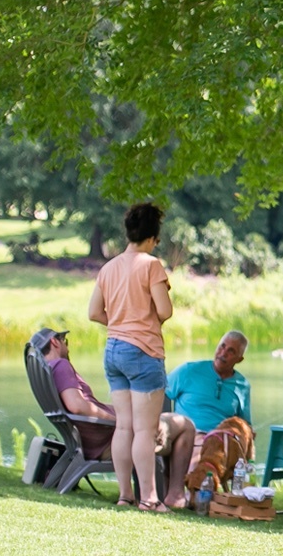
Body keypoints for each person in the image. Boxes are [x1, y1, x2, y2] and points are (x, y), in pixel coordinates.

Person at [32, 328, 196, 508]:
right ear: (55, 342)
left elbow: (82, 407)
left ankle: (157, 492)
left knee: (160, 421)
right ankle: (175, 495)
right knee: (184, 425)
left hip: (87, 440)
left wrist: (121, 412)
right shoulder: (61, 366)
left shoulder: (49, 370)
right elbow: (77, 406)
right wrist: (119, 420)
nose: (67, 347)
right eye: (65, 341)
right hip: (108, 442)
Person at [89, 202, 174, 512]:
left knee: (123, 427)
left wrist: (122, 323)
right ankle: (150, 499)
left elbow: (94, 312)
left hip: (114, 351)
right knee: (145, 430)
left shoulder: (108, 268)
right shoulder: (151, 265)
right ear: (152, 236)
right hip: (144, 352)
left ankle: (126, 495)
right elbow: (164, 310)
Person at [167, 330, 252, 468]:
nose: (223, 353)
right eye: (222, 346)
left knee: (221, 453)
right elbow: (160, 393)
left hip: (221, 440)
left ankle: (207, 487)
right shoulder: (189, 371)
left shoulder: (242, 386)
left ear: (239, 359)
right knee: (201, 455)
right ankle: (199, 486)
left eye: (231, 351)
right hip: (189, 435)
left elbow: (244, 423)